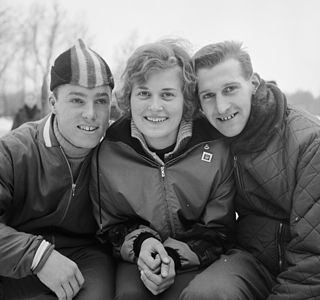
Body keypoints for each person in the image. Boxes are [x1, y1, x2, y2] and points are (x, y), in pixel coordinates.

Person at [90, 40, 235, 300]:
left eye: (167, 94)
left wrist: (174, 259)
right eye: (144, 93)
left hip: (197, 258)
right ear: (129, 97)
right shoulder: (110, 151)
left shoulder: (215, 148)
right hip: (138, 259)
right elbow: (109, 227)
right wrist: (143, 244)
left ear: (185, 99)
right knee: (130, 295)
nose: (155, 106)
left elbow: (219, 230)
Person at [189, 40, 320, 299]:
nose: (222, 107)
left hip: (307, 267)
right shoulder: (209, 138)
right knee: (207, 294)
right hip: (252, 261)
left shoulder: (308, 142)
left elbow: (314, 256)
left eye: (230, 89)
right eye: (209, 96)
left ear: (254, 84)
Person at [0, 39, 115, 300]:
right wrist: (38, 256)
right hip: (15, 260)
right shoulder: (14, 150)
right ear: (53, 102)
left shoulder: (117, 152)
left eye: (101, 100)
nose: (91, 113)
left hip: (86, 260)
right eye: (77, 100)